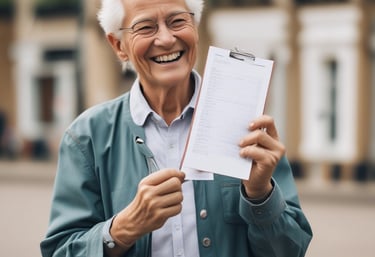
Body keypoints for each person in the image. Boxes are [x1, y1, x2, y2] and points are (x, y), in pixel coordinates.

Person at [40, 0, 312, 256]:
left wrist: (260, 195)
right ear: (118, 45)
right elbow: (60, 250)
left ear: (195, 27)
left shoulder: (246, 123)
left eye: (177, 21)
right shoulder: (86, 138)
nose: (167, 38)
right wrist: (123, 228)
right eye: (145, 27)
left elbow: (291, 249)